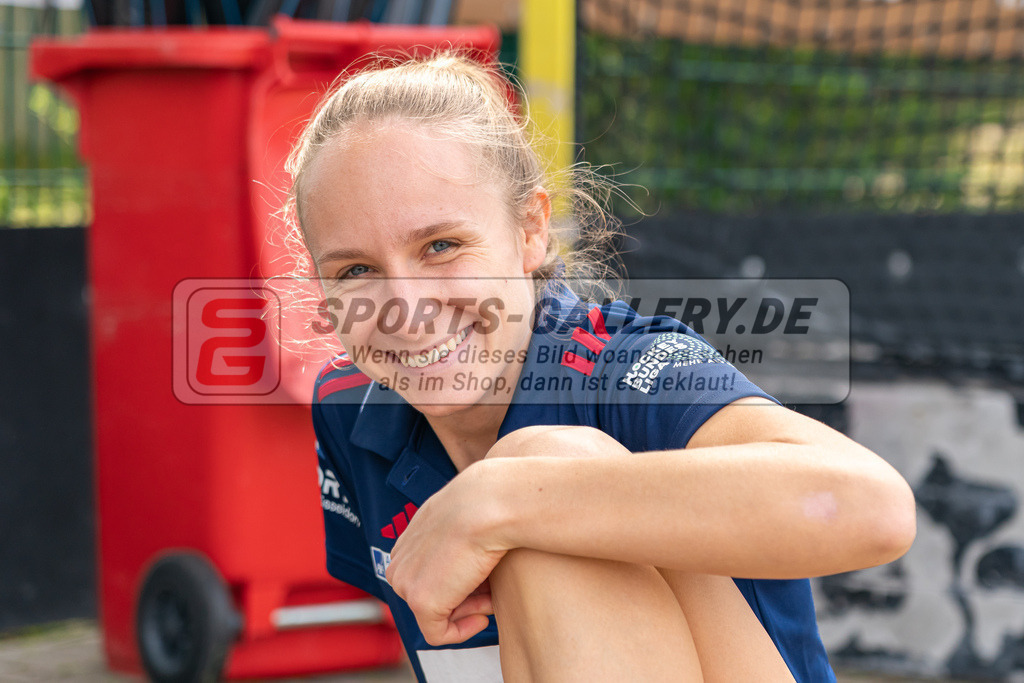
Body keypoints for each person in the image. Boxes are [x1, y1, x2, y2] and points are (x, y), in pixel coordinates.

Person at [286, 52, 916, 682]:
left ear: (532, 230)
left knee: (542, 468)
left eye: (442, 246)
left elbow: (872, 507)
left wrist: (496, 498)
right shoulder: (351, 408)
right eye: (356, 272)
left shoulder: (620, 368)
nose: (406, 309)